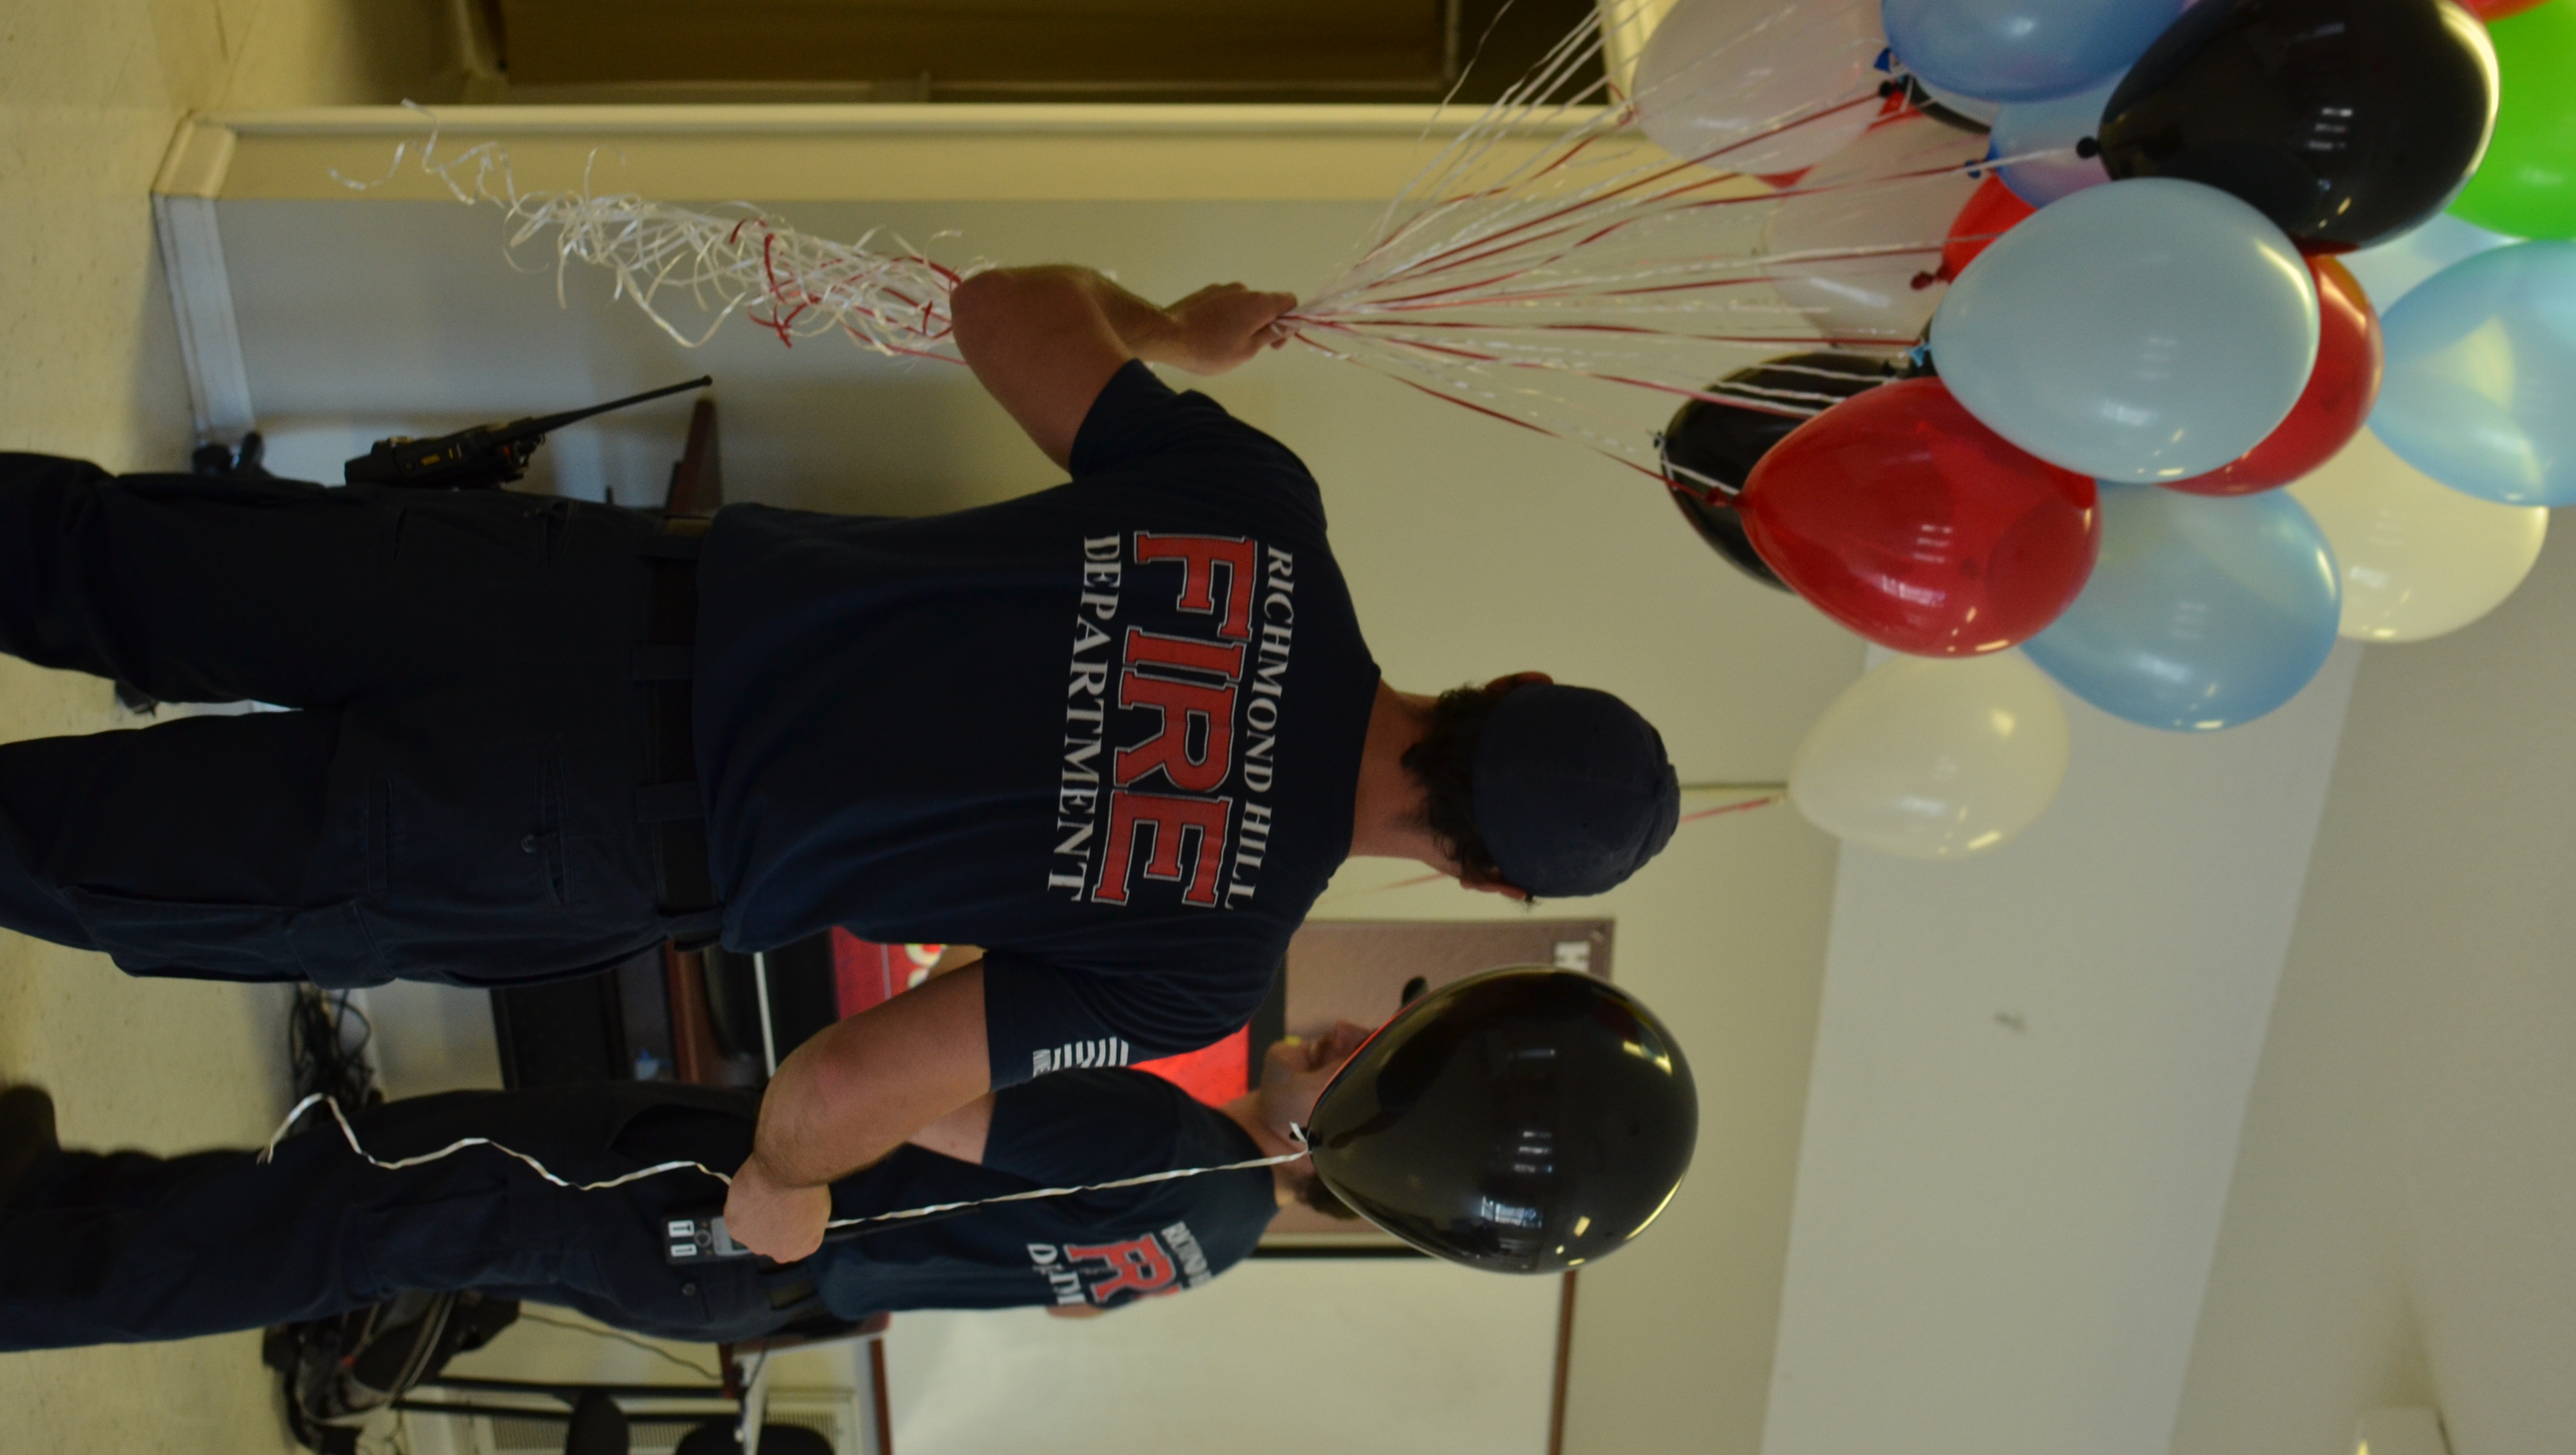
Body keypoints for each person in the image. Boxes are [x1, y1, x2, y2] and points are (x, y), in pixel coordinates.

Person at [0, 264, 1681, 1262]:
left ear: (1510, 679)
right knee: (70, 846)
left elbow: (1004, 309)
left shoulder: (1261, 524)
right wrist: (783, 1188)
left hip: (558, 601)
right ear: (1485, 878)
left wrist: (1170, 325)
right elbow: (832, 1095)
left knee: (89, 557)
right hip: (570, 843)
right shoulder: (1200, 967)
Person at [0, 1020, 1376, 1350]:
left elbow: (915, 1104)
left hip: (725, 1200)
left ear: (1342, 1153)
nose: (1352, 1034)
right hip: (755, 1282)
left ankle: (34, 1274)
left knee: (370, 1213)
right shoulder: (1227, 1230)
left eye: (1372, 1066)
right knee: (367, 1197)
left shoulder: (1177, 1148)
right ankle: (61, 1200)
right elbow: (1066, 1305)